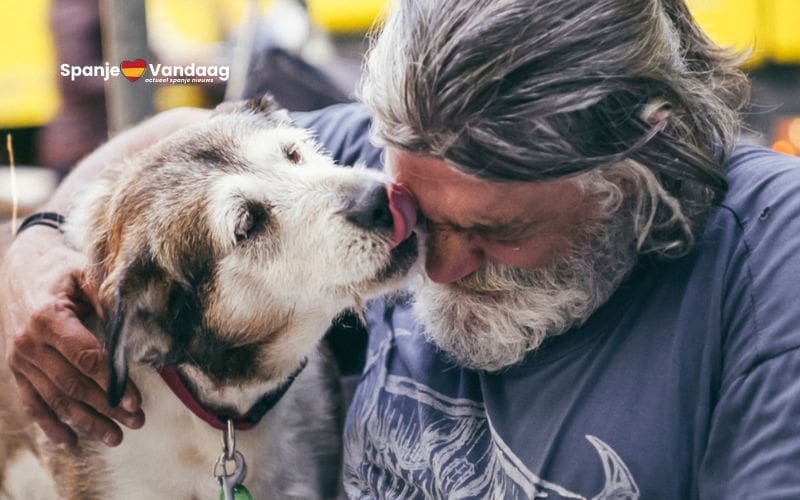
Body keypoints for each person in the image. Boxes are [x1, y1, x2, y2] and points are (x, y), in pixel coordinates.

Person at [3, 0, 800, 497]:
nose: (428, 259)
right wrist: (40, 248)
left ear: (634, 163)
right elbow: (181, 142)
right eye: (413, 204)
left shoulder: (770, 265)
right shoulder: (375, 166)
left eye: (494, 233)